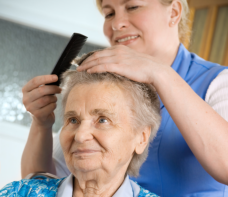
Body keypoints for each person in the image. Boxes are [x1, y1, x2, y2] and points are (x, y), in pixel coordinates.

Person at [21, 0, 228, 196]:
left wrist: (159, 73)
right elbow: (40, 187)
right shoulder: (102, 90)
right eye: (109, 13)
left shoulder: (219, 83)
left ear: (173, 12)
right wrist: (41, 123)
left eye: (133, 6)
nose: (117, 23)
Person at [0, 52, 161, 197]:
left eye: (103, 120)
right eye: (73, 120)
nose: (80, 135)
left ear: (141, 138)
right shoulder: (18, 193)